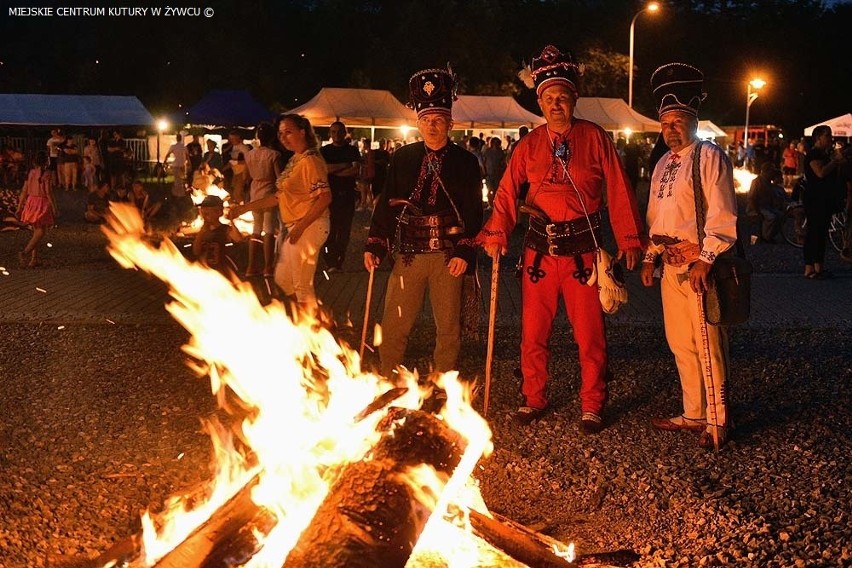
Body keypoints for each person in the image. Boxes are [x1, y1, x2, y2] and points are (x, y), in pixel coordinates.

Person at [478, 45, 644, 433]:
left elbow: (619, 188)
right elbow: (505, 192)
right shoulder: (529, 144)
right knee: (533, 334)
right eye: (549, 98)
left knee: (590, 337)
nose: (556, 104)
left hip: (584, 256)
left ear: (574, 100)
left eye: (563, 97)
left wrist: (630, 239)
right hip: (538, 256)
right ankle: (534, 397)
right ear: (540, 102)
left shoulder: (596, 137)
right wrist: (497, 232)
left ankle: (592, 403)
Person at [639, 63, 739, 449]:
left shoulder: (709, 156)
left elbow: (723, 212)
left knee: (709, 344)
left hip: (701, 268)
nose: (671, 129)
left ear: (694, 121)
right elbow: (656, 217)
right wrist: (650, 256)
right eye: (666, 123)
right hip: (671, 267)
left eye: (678, 121)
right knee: (681, 342)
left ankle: (717, 422)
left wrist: (707, 258)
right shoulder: (662, 163)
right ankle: (693, 411)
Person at [364, 65, 483, 379]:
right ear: (418, 123)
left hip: (448, 256)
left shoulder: (466, 162)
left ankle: (445, 381)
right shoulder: (402, 158)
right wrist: (376, 242)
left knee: (448, 325)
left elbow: (473, 210)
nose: (432, 127)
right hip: (408, 254)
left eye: (439, 120)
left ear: (450, 123)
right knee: (394, 321)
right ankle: (389, 376)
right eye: (427, 121)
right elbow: (387, 202)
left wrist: (464, 250)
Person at [229, 114, 331, 309]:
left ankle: (309, 329)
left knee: (301, 284)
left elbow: (325, 198)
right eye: (281, 133)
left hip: (309, 226)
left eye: (288, 132)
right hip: (296, 226)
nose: (283, 137)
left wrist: (300, 227)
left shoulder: (310, 161)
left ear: (302, 132)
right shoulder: (295, 160)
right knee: (283, 279)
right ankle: (316, 320)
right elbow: (278, 196)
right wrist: (244, 208)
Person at [802, 125, 846, 279]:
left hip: (824, 199)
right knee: (814, 232)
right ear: (818, 137)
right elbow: (820, 172)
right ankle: (810, 268)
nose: (830, 138)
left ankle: (818, 267)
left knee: (820, 234)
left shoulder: (824, 154)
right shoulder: (813, 154)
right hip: (815, 200)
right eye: (827, 135)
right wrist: (835, 161)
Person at [244, 122, 285, 277]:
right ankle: (268, 267)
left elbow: (245, 177)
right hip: (269, 193)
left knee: (255, 230)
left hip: (255, 192)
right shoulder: (274, 155)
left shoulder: (249, 154)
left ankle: (250, 266)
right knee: (268, 231)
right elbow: (279, 177)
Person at [321, 121, 361, 272]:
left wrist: (333, 170)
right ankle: (330, 261)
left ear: (345, 133)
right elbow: (323, 170)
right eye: (333, 132)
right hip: (329, 196)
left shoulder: (352, 150)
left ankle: (339, 260)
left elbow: (355, 170)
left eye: (339, 132)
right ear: (330, 134)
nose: (336, 135)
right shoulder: (324, 151)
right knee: (329, 229)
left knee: (344, 230)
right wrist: (344, 165)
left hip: (347, 195)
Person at [16, 152, 58, 268]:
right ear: (46, 161)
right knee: (40, 231)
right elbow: (48, 192)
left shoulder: (30, 173)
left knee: (35, 231)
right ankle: (24, 253)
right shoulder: (47, 173)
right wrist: (54, 207)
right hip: (41, 202)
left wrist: (20, 207)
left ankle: (34, 260)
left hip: (31, 201)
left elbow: (24, 190)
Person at [193, 195, 243, 276]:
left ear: (218, 212)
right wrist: (201, 233)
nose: (204, 213)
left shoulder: (224, 229)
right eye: (203, 210)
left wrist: (231, 221)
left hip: (221, 271)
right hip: (204, 271)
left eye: (207, 211)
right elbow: (196, 251)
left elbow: (238, 239)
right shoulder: (203, 231)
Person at [747, 163, 786, 243]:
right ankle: (766, 237)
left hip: (767, 207)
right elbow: (752, 198)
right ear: (765, 172)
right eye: (771, 172)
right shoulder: (756, 182)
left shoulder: (768, 182)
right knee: (772, 217)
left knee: (781, 216)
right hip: (758, 207)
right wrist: (756, 212)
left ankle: (770, 235)